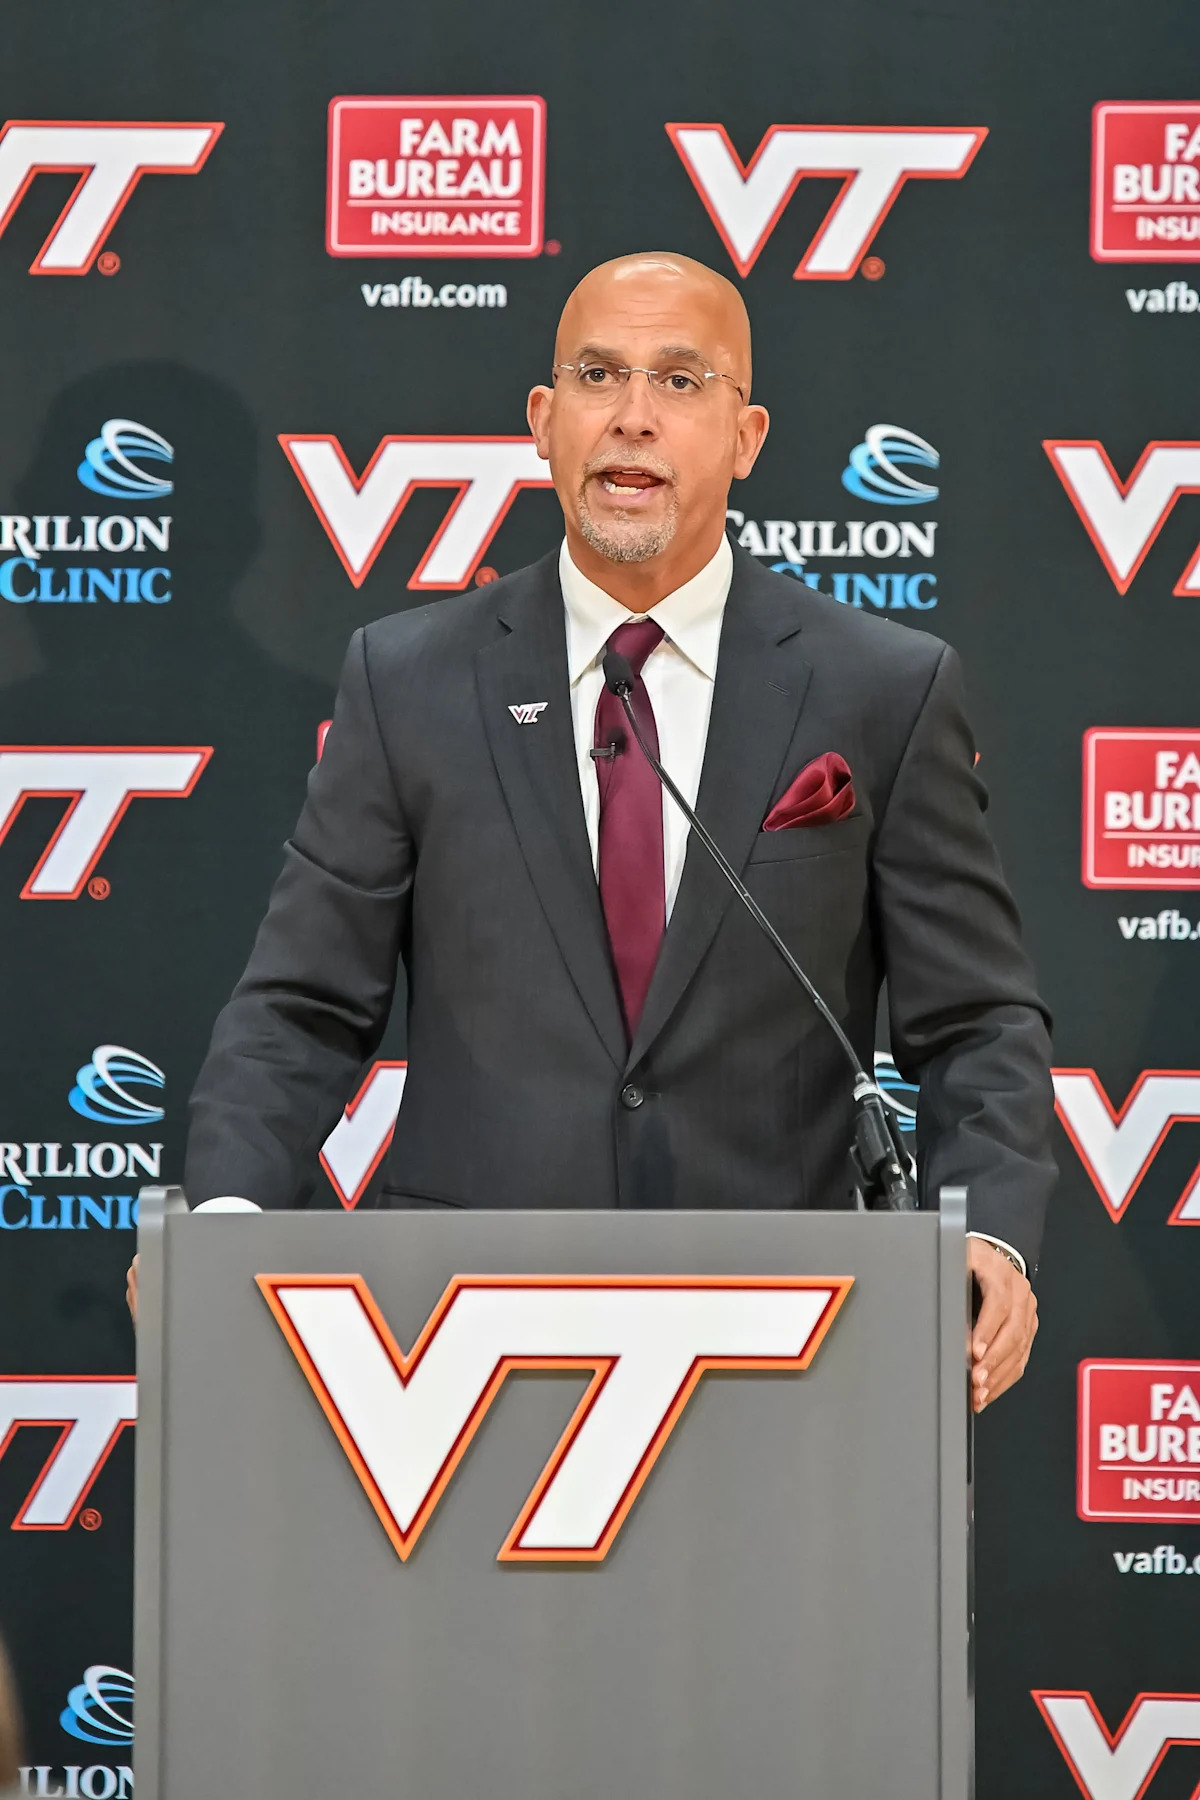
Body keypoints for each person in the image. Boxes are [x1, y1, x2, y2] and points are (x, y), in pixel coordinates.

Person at [135, 252, 1055, 1413]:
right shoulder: (410, 681)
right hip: (458, 1347)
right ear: (542, 420)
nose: (632, 416)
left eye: (680, 381)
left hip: (788, 1342)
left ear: (747, 436)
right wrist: (224, 1228)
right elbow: (300, 1008)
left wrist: (992, 1238)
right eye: (598, 375)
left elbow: (977, 1021)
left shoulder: (882, 690)